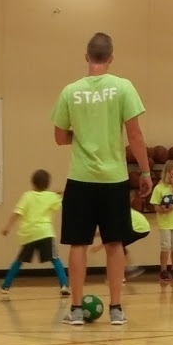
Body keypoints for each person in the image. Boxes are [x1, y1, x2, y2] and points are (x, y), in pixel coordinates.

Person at [51, 32, 153, 327]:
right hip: (114, 179)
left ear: (86, 57)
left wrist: (80, 134)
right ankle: (117, 309)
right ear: (110, 58)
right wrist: (145, 172)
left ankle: (75, 310)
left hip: (80, 179)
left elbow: (59, 137)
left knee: (79, 245)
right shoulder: (123, 87)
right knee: (114, 244)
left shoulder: (70, 91)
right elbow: (135, 135)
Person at [0, 169, 70, 296]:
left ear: (33, 183)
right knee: (55, 259)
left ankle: (6, 286)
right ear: (48, 183)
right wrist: (57, 194)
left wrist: (7, 227)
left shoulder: (27, 196)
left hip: (29, 234)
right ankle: (64, 285)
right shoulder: (51, 196)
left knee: (19, 261)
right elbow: (57, 203)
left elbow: (17, 213)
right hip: (45, 232)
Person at [150, 159, 173, 281]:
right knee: (165, 246)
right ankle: (163, 269)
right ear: (167, 171)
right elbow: (155, 206)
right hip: (165, 222)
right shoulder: (159, 188)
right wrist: (164, 210)